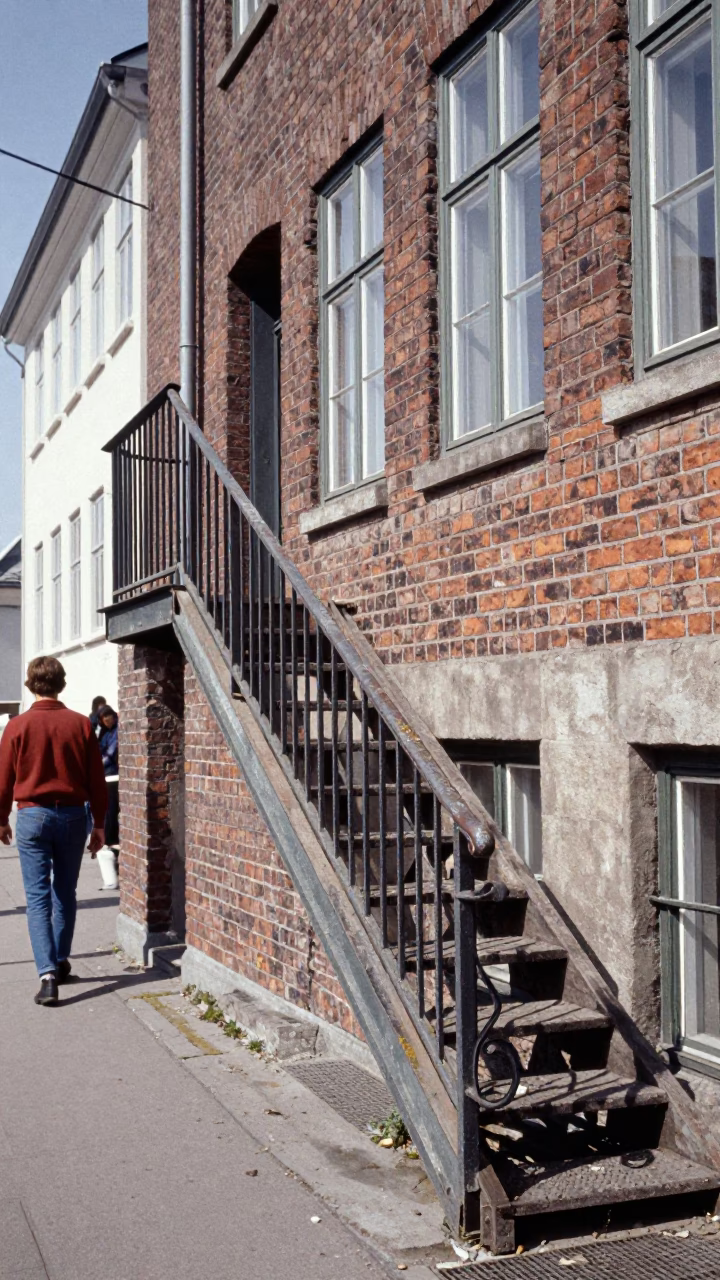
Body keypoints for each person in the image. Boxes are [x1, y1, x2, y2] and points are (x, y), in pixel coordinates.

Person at [0, 656, 106, 1006]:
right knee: (65, 892)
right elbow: (96, 780)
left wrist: (2, 818)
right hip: (74, 815)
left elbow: (4, 779)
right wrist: (101, 824)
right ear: (61, 683)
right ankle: (60, 961)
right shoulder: (79, 724)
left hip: (33, 816)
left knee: (37, 898)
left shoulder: (17, 727)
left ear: (30, 685)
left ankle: (47, 975)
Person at [96, 704, 120, 890]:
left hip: (113, 775)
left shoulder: (117, 731)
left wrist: (96, 764)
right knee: (106, 810)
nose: (108, 720)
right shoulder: (104, 733)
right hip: (105, 777)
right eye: (105, 718)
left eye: (109, 716)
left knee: (111, 811)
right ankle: (109, 841)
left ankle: (111, 841)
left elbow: (110, 754)